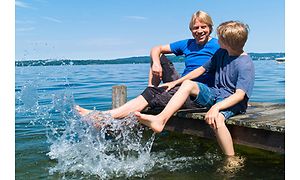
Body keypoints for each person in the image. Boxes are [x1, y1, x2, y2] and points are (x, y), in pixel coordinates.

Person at [135, 21, 255, 157]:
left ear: (227, 42)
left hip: (232, 102)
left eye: (220, 38)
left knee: (218, 119)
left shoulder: (245, 64)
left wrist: (216, 108)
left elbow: (239, 95)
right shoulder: (221, 53)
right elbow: (202, 69)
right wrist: (176, 82)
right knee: (188, 84)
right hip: (215, 94)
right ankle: (160, 120)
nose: (216, 39)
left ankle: (231, 158)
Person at [76, 10, 220, 119]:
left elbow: (237, 57)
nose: (199, 31)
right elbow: (156, 48)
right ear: (191, 30)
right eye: (196, 28)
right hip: (180, 85)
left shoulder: (218, 45)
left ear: (210, 28)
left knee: (152, 95)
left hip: (199, 94)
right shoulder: (188, 44)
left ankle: (105, 116)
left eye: (203, 27)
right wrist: (156, 63)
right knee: (158, 55)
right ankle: (151, 89)